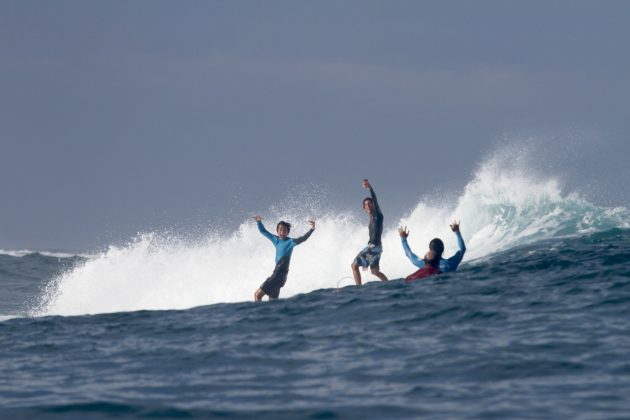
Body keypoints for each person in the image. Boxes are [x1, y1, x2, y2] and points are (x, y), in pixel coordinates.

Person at [253, 215, 315, 301]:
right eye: (280, 230)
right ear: (277, 231)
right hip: (280, 278)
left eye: (284, 230)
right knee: (272, 303)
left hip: (278, 275)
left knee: (257, 295)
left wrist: (312, 229)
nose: (282, 232)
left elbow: (303, 239)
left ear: (288, 232)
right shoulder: (275, 240)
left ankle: (258, 314)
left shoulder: (290, 242)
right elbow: (263, 231)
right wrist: (259, 221)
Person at [398, 221, 466, 281]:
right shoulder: (450, 264)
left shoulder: (423, 264)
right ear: (443, 249)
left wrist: (403, 239)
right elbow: (462, 249)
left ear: (430, 250)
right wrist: (457, 232)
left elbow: (409, 253)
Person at [351, 179, 388, 285]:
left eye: (370, 204)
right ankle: (388, 285)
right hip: (378, 249)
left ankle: (359, 289)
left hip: (374, 248)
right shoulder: (371, 219)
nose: (368, 206)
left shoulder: (378, 215)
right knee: (375, 271)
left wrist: (370, 188)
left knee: (354, 266)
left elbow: (375, 201)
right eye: (366, 205)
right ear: (364, 208)